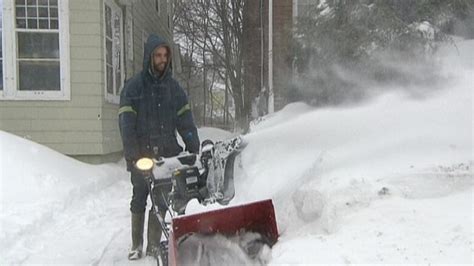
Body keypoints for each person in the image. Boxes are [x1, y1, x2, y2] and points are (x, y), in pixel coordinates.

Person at [119, 34, 200, 260]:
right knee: (140, 195)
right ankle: (137, 244)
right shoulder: (134, 88)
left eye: (165, 55)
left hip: (166, 153)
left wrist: (193, 145)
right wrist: (132, 154)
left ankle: (154, 244)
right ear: (149, 57)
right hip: (141, 154)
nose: (162, 59)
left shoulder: (174, 89)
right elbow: (126, 124)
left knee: (161, 197)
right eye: (158, 55)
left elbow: (185, 120)